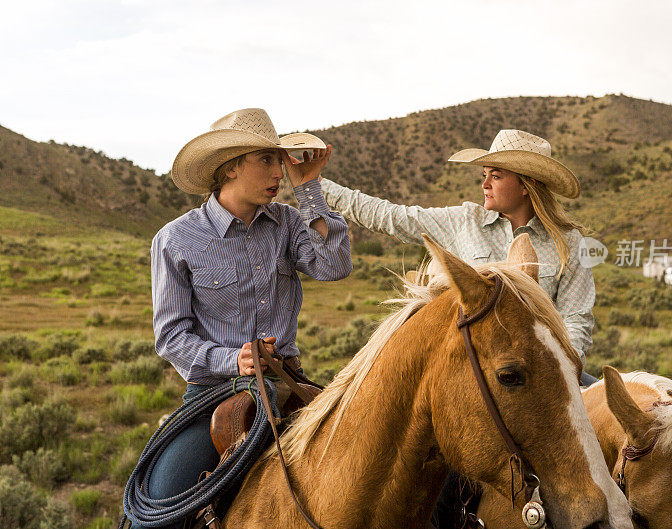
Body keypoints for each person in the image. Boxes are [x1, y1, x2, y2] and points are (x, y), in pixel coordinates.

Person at [132, 108, 352, 529]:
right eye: (266, 160)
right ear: (231, 167)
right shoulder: (176, 239)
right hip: (214, 395)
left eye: (279, 160)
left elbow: (334, 265)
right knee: (156, 510)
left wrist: (308, 188)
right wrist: (235, 359)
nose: (279, 171)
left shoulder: (288, 223)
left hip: (288, 384)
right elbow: (172, 337)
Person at [320, 129, 595, 367]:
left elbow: (576, 319)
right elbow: (390, 216)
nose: (485, 184)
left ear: (527, 186)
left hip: (537, 370)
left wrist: (558, 367)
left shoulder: (568, 242)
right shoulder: (464, 222)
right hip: (467, 367)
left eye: (496, 176)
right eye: (485, 175)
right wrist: (316, 186)